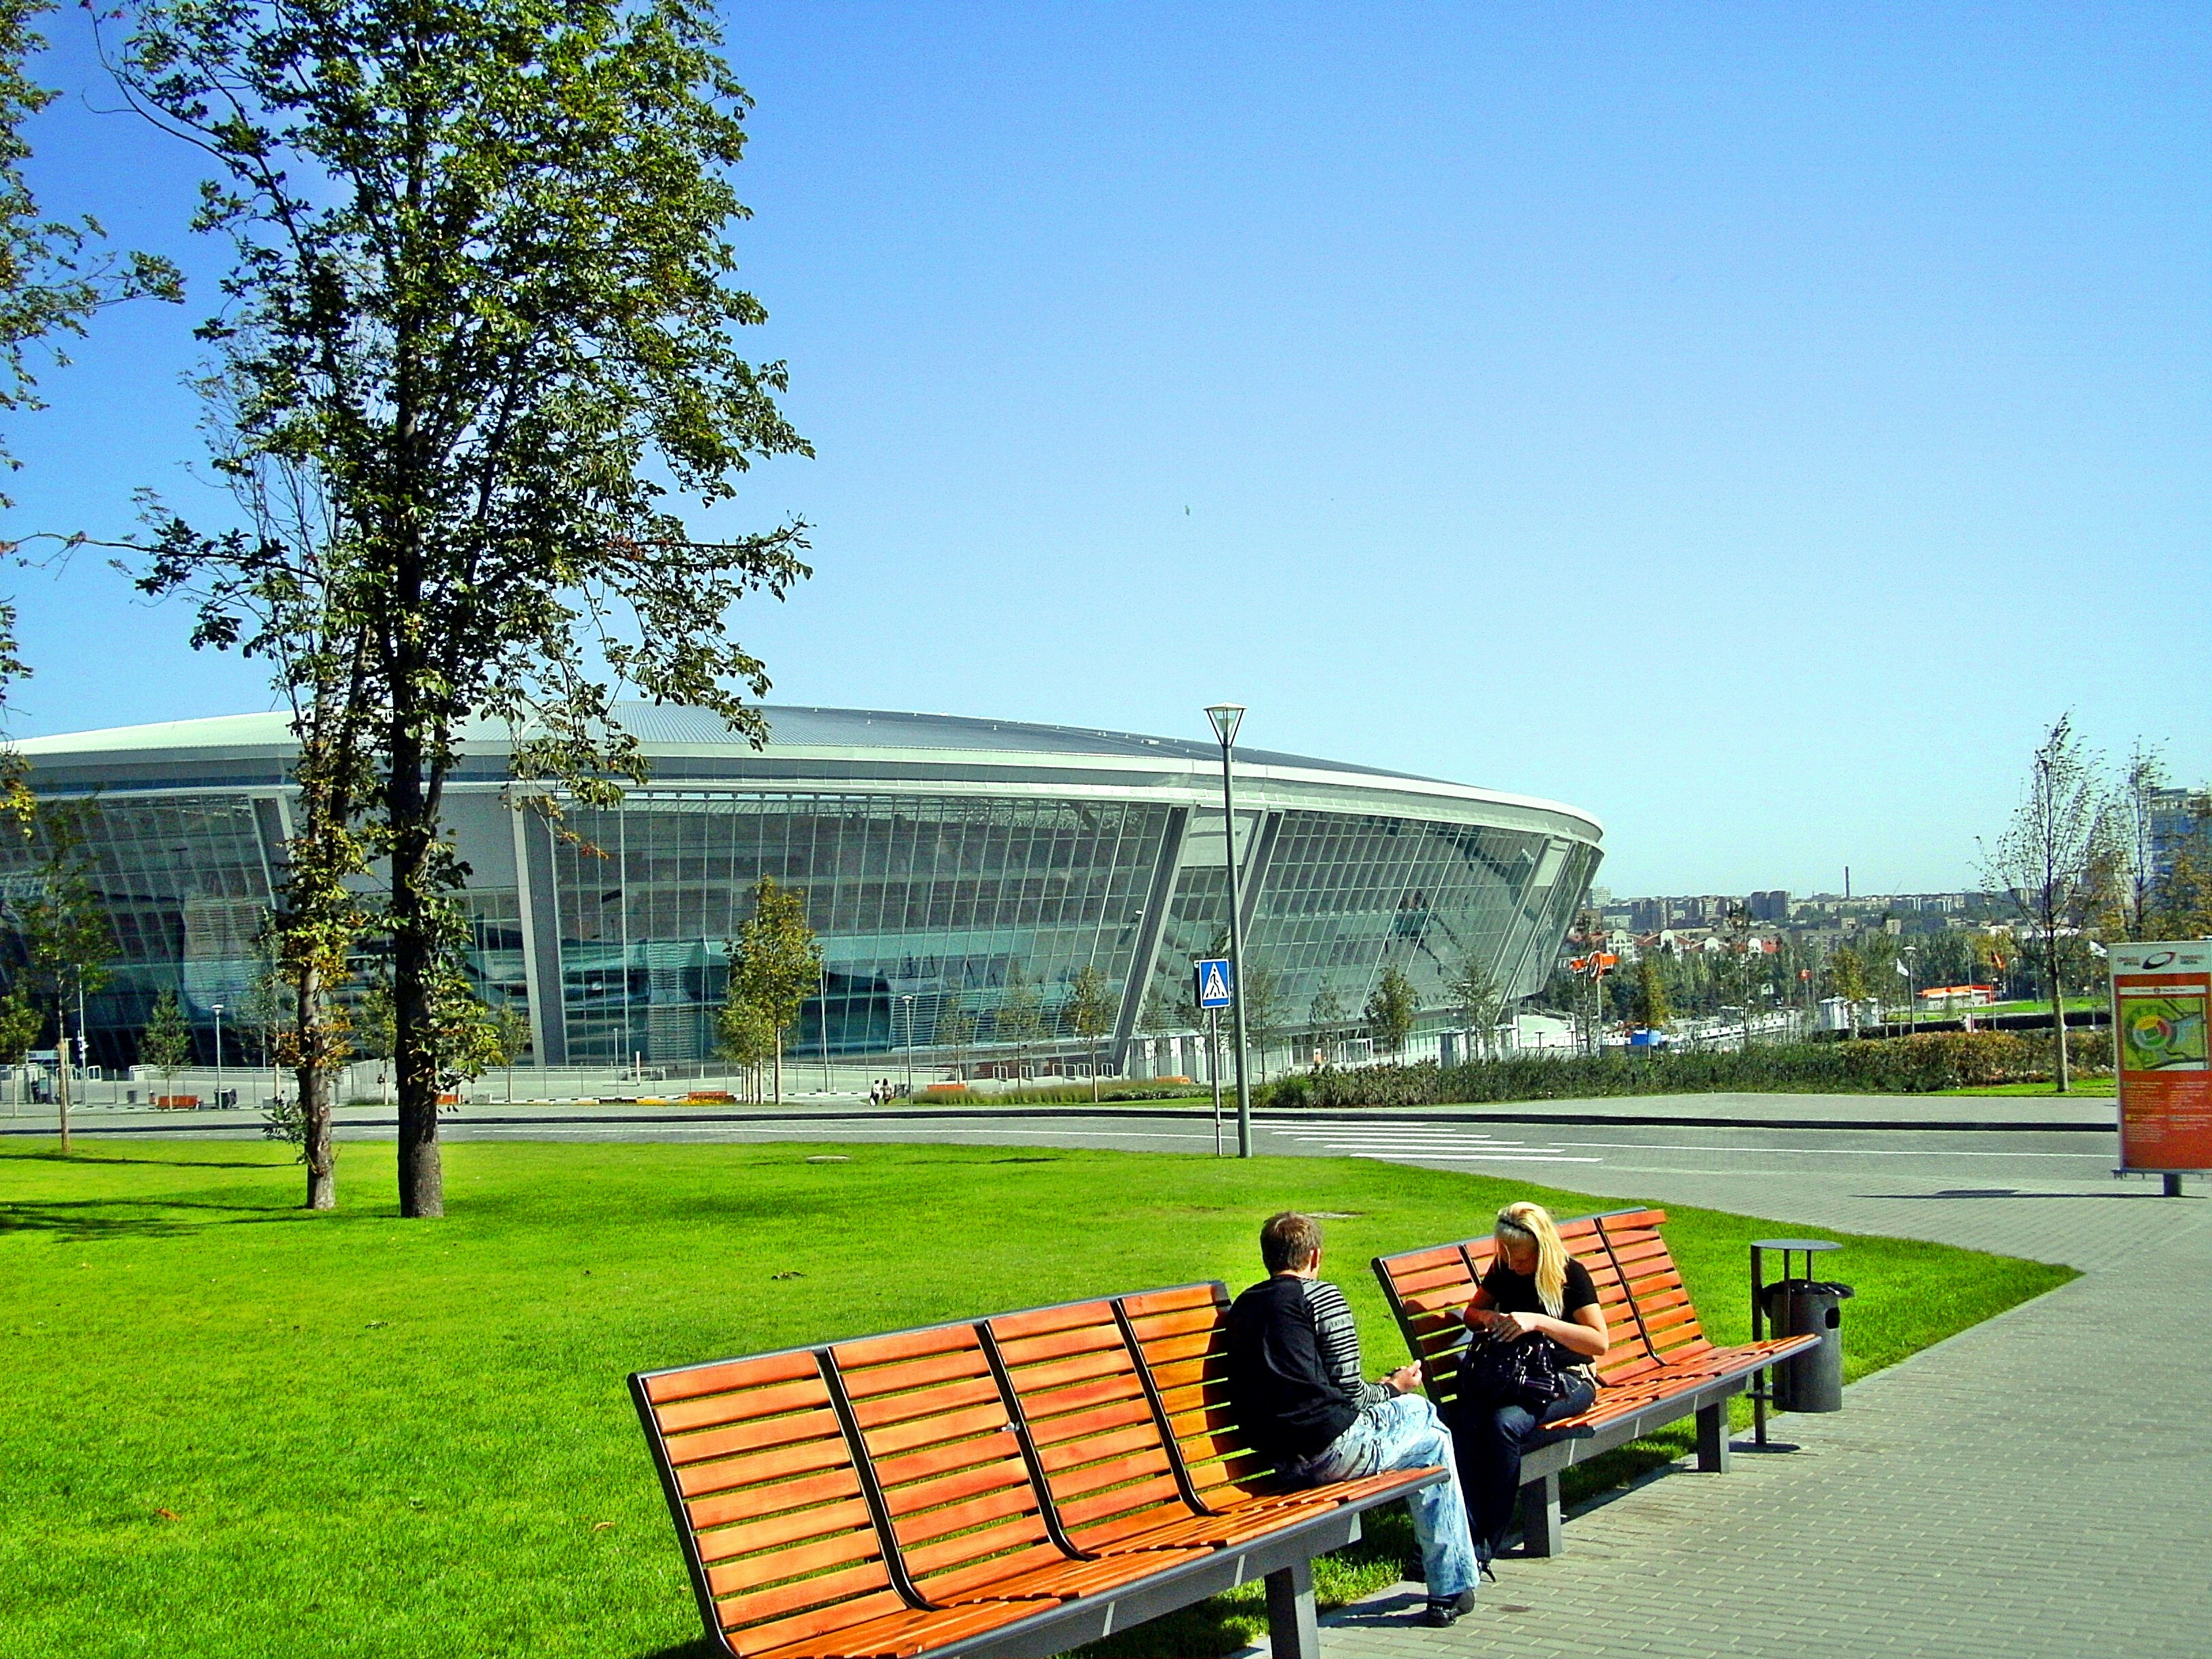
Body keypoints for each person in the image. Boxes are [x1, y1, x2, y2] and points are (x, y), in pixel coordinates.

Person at [1226, 1211, 1481, 1627]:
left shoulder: (1244, 1307)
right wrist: (1396, 1386)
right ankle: (1448, 1585)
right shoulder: (1320, 1298)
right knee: (1426, 1419)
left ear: (1267, 1258)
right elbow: (1353, 1397)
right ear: (1315, 1256)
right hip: (1332, 1453)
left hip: (1278, 1459)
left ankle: (1448, 1578)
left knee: (1431, 1440)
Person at [1446, 1201, 1609, 1568]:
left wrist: (1538, 1322)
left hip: (1567, 1380)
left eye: (1523, 1259)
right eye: (1508, 1257)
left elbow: (1598, 1342)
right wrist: (1491, 1318)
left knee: (1504, 1424)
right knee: (1464, 1420)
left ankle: (1487, 1539)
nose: (1515, 1266)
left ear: (1543, 1247)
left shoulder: (1572, 1276)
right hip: (1512, 1379)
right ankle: (1462, 1531)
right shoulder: (1504, 1268)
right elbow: (1472, 1314)